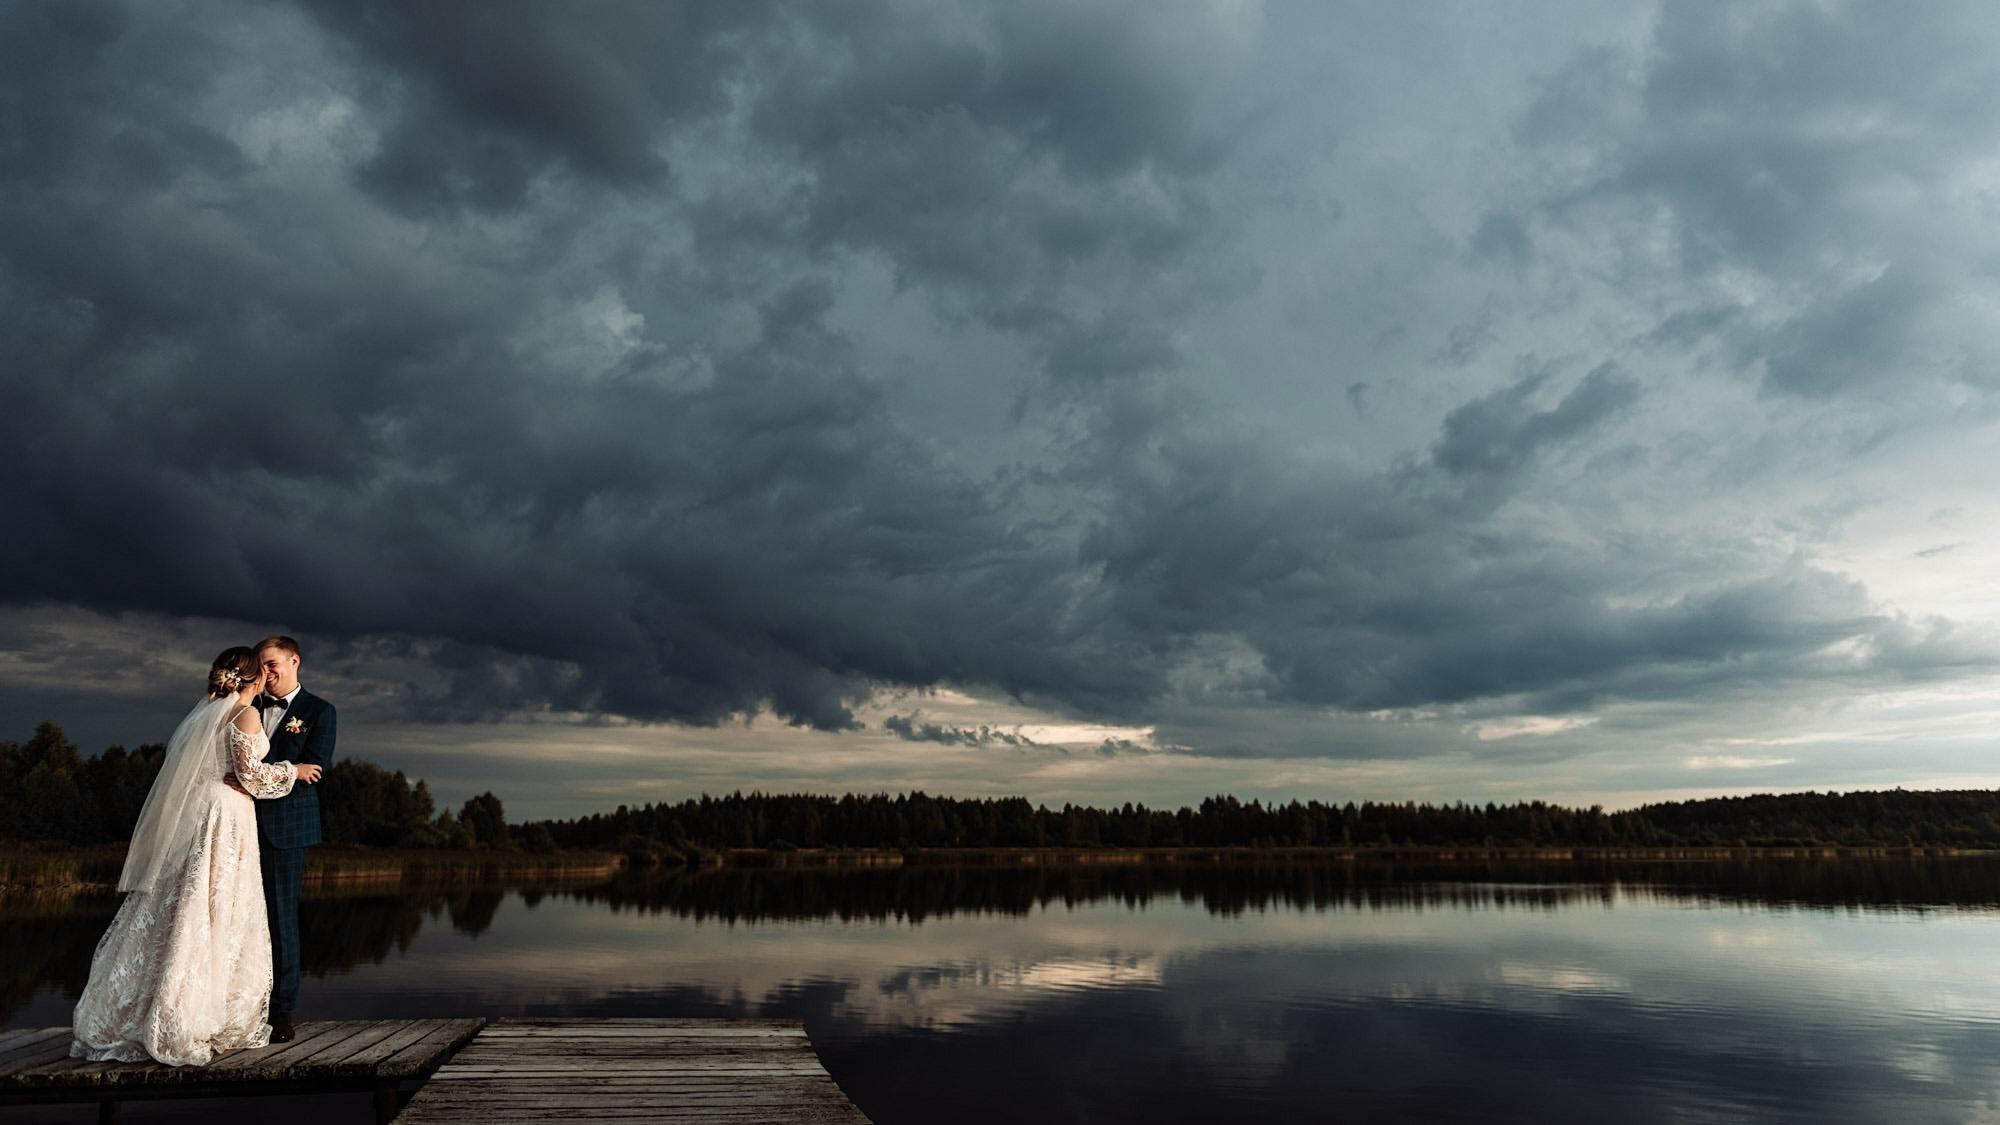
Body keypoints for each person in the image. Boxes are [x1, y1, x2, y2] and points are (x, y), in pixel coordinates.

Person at [70, 647, 323, 1066]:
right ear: (253, 679)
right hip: (226, 815)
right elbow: (252, 776)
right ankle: (193, 1015)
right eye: (262, 671)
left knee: (189, 901)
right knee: (215, 905)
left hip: (203, 811)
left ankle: (159, 1006)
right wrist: (292, 771)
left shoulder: (208, 717)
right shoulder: (245, 715)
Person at [250, 634, 335, 1043]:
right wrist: (286, 768)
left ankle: (282, 1012)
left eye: (271, 664)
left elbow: (315, 769)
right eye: (260, 665)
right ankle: (242, 1006)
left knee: (282, 922)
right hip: (239, 826)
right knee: (240, 919)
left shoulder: (319, 711)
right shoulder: (244, 706)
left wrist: (265, 775)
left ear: (294, 660)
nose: (265, 673)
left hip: (286, 829)